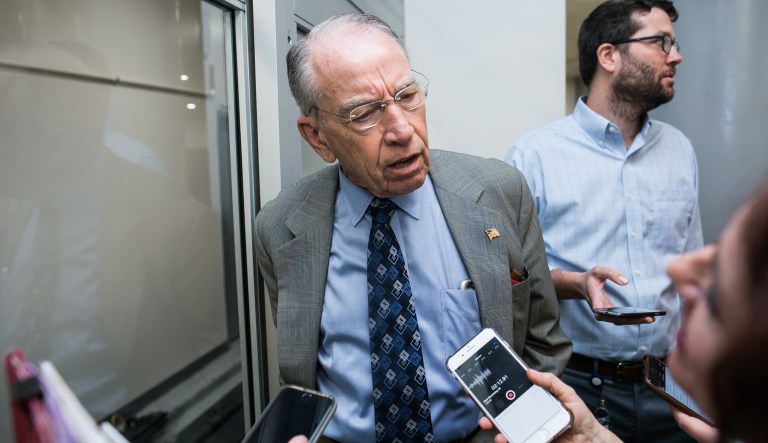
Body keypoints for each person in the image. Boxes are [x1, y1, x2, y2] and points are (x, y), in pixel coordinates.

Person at [253, 13, 572, 443]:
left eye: (407, 95)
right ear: (318, 138)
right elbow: (301, 371)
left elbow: (542, 342)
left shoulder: (500, 193)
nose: (403, 130)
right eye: (364, 113)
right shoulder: (280, 228)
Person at [505, 1, 701, 441]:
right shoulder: (533, 156)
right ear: (609, 56)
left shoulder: (680, 149)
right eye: (660, 42)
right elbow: (510, 276)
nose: (676, 55)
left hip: (673, 390)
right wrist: (577, 283)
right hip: (579, 390)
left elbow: (692, 272)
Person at [480, 180, 768, 443]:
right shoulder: (531, 153)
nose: (675, 271)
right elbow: (528, 273)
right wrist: (595, 437)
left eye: (716, 294)